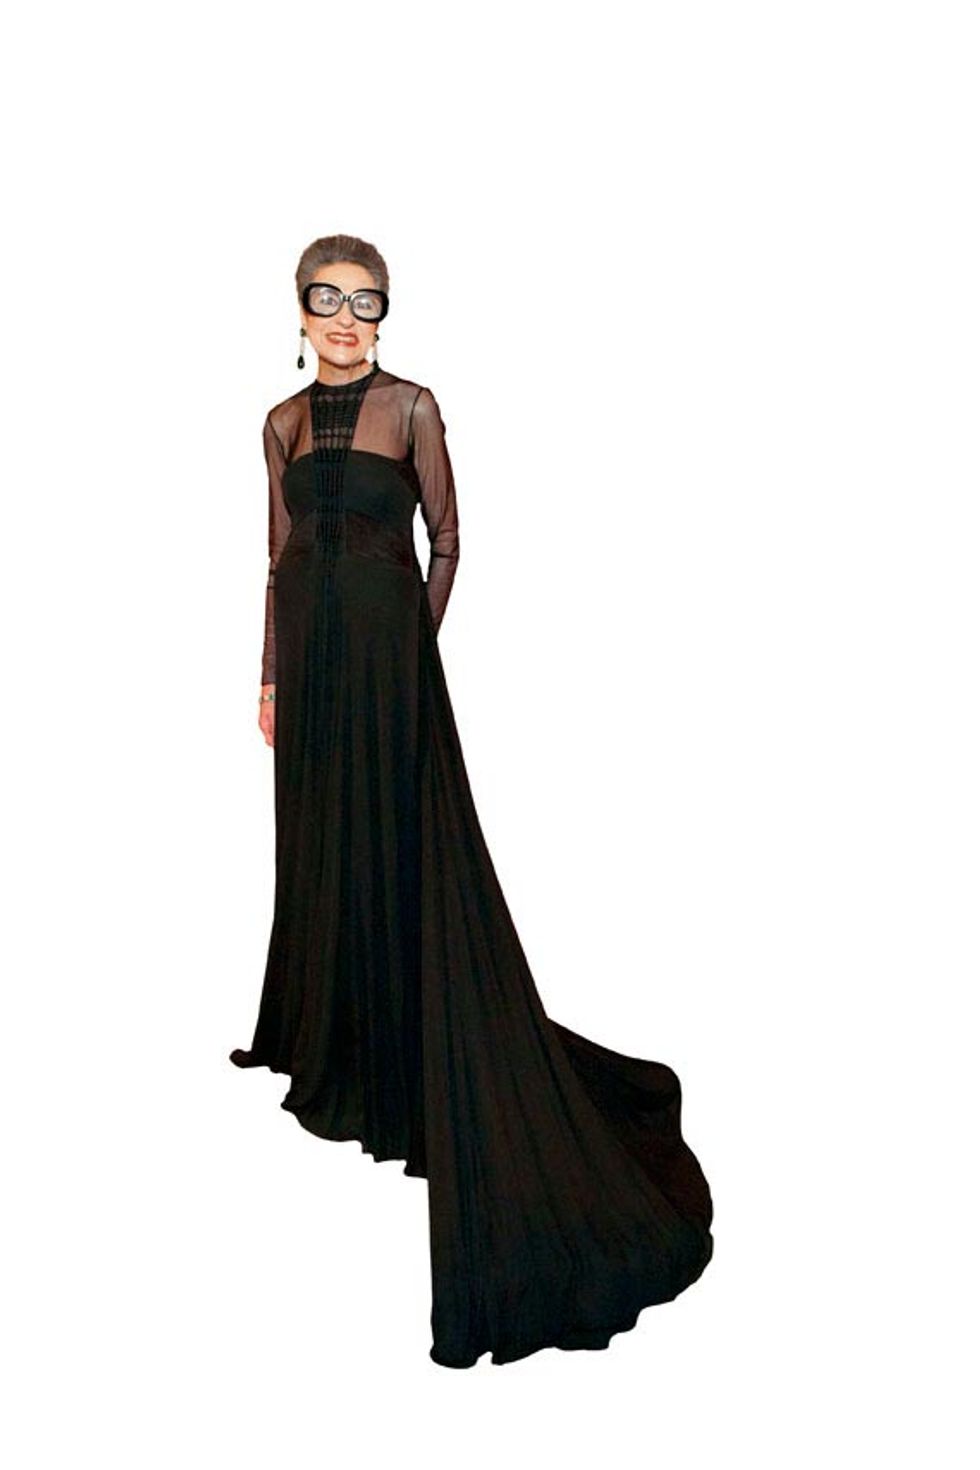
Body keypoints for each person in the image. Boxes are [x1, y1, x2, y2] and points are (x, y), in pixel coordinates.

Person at [229, 233, 714, 1369]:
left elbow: (446, 541)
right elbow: (277, 554)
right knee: (322, 852)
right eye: (325, 299)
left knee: (402, 855)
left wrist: (411, 644)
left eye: (365, 302)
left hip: (388, 665)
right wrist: (271, 676)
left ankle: (420, 1057)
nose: (344, 319)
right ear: (297, 309)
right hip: (310, 669)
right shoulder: (279, 423)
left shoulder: (413, 408)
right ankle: (340, 1043)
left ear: (384, 314)